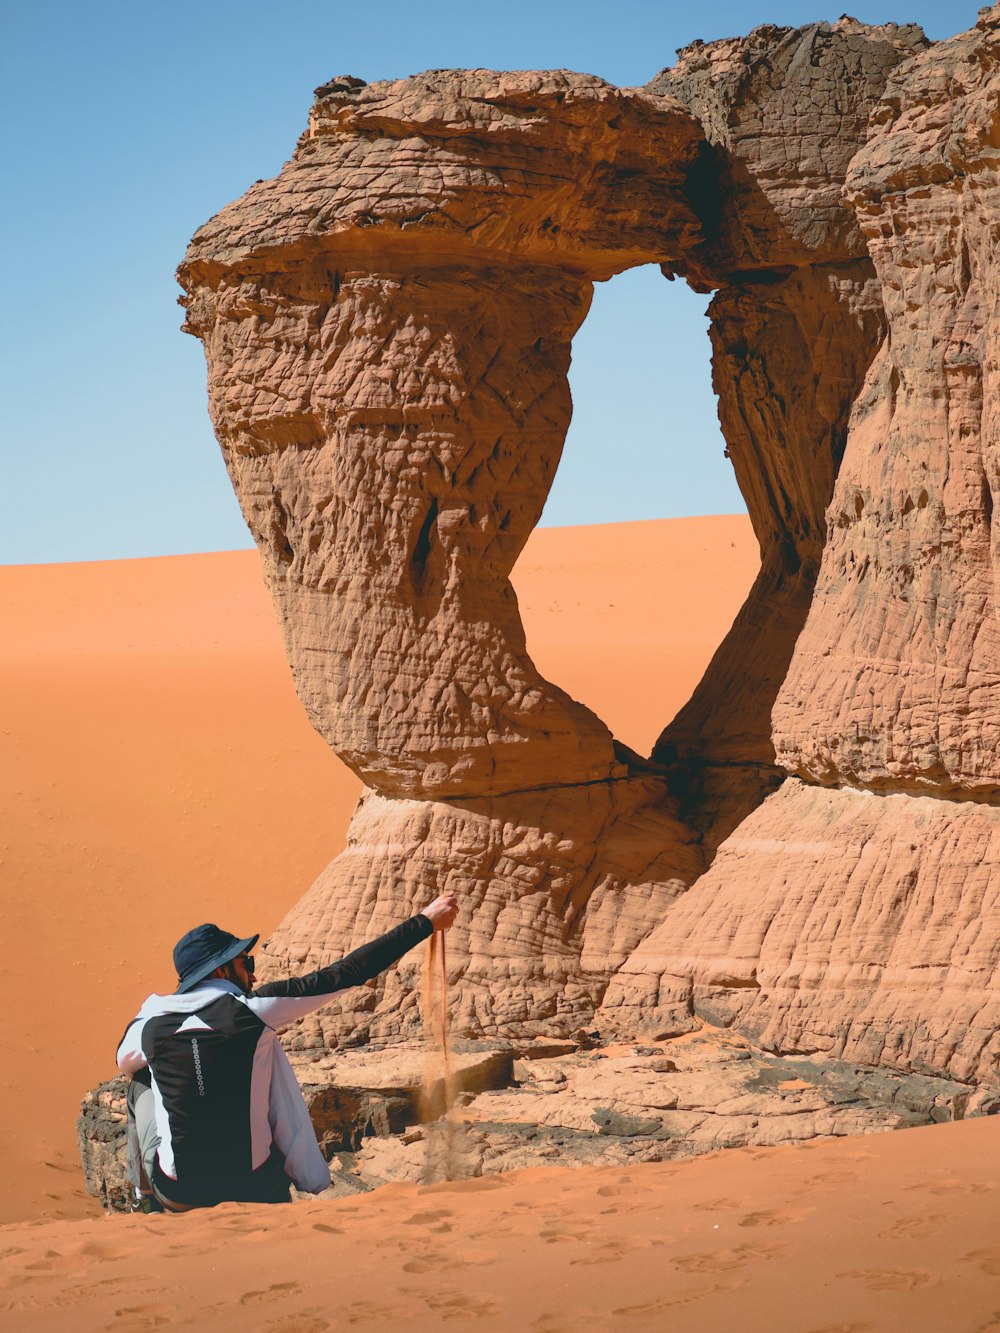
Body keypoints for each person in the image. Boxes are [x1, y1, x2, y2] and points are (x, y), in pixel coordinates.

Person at [116, 892, 458, 1212]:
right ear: (221, 970)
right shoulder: (254, 1011)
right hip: (254, 1191)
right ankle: (302, 1179)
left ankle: (143, 1201)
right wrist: (425, 921)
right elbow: (347, 973)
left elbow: (123, 1061)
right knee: (260, 1047)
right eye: (244, 962)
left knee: (141, 1081)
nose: (252, 974)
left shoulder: (149, 1025)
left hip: (179, 1194)